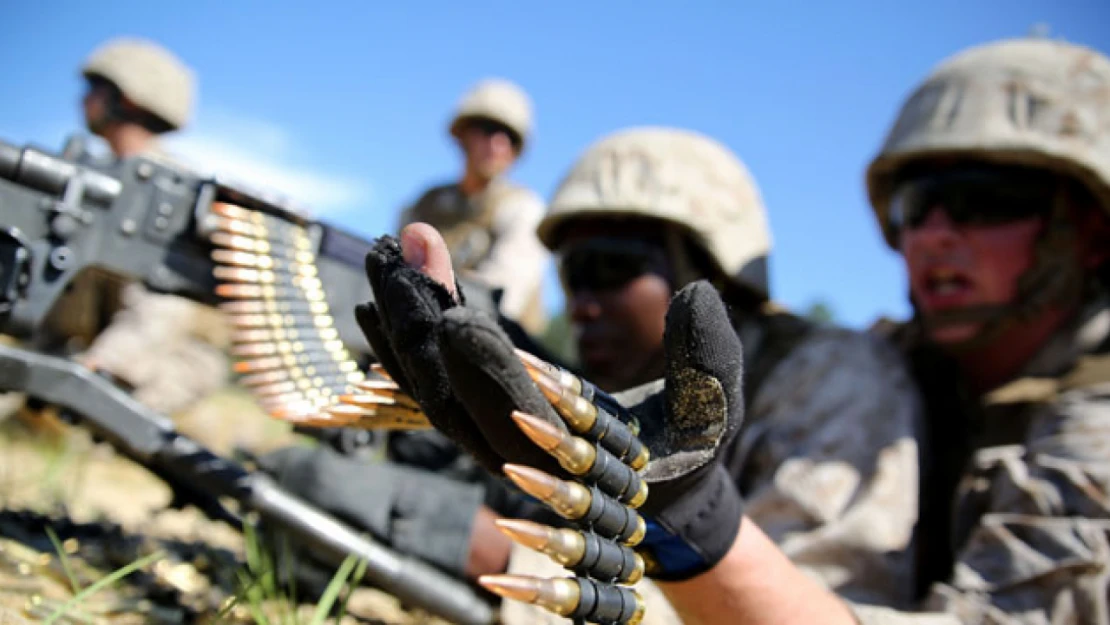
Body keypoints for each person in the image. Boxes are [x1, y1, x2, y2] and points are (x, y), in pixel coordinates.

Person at [444, 36, 1110, 625]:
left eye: (980, 199)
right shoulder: (912, 365)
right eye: (916, 205)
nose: (934, 233)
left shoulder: (848, 378)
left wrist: (483, 543)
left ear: (1088, 228)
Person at [354, 126, 925, 623]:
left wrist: (493, 554)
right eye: (573, 275)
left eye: (610, 267)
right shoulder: (610, 388)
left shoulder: (831, 377)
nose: (581, 305)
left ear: (703, 273)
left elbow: (807, 609)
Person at [40, 37, 230, 417]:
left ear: (125, 99)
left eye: (94, 89)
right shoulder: (93, 173)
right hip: (71, 341)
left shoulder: (177, 192)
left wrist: (100, 369)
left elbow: (164, 301)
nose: (83, 100)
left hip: (145, 360)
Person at [397, 78, 549, 336]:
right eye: (488, 129)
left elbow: (500, 301)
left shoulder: (522, 208)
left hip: (496, 349)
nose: (497, 146)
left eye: (509, 138)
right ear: (464, 134)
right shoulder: (425, 205)